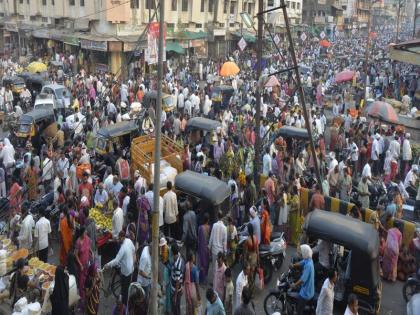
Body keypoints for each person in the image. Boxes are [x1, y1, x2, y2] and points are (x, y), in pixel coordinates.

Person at [104, 230, 136, 306]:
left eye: (120, 238)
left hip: (126, 271)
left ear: (123, 237)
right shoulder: (128, 241)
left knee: (124, 289)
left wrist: (107, 265)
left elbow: (116, 260)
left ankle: (124, 305)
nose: (119, 240)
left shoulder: (123, 248)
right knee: (126, 286)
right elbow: (134, 250)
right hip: (131, 268)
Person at [290, 244, 315, 315]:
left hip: (306, 293)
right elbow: (301, 262)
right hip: (308, 288)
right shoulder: (309, 259)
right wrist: (293, 265)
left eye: (302, 252)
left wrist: (294, 285)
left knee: (298, 311)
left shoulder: (308, 265)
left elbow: (302, 280)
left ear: (305, 253)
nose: (301, 253)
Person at [75, 226, 92, 305]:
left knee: (86, 280)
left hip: (87, 263)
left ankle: (86, 294)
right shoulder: (78, 242)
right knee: (81, 282)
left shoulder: (87, 238)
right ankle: (82, 299)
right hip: (81, 265)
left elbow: (89, 247)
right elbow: (76, 255)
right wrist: (80, 265)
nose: (86, 233)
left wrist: (91, 252)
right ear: (81, 233)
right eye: (84, 232)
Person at [244, 222, 259, 289]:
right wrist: (258, 259)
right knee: (252, 273)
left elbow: (246, 252)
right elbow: (257, 250)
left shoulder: (247, 240)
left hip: (250, 258)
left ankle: (250, 289)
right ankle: (252, 288)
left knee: (249, 275)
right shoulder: (255, 238)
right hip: (254, 257)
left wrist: (245, 259)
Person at [171, 243, 184, 315]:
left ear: (172, 252)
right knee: (176, 308)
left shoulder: (177, 266)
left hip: (176, 291)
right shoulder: (179, 256)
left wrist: (175, 296)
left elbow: (177, 281)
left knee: (176, 309)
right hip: (177, 289)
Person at [198, 213, 211, 284]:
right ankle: (205, 277)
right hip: (208, 248)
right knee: (207, 263)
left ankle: (201, 279)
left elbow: (199, 240)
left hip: (202, 248)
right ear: (208, 220)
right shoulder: (210, 228)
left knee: (202, 263)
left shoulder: (200, 228)